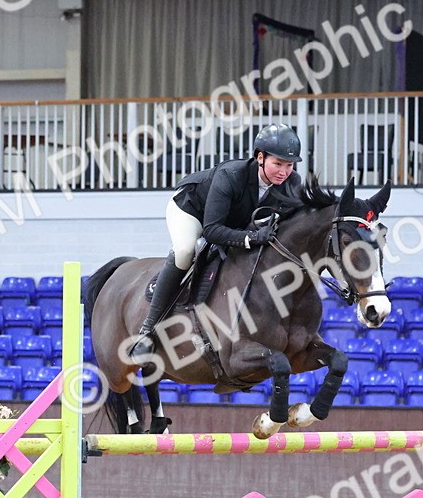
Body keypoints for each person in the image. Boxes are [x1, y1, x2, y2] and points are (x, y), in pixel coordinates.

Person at [128, 123, 304, 361]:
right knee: (185, 250)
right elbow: (211, 231)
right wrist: (251, 238)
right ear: (260, 158)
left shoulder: (292, 183)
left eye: (289, 165)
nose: (284, 171)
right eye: (278, 164)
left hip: (231, 220)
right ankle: (147, 330)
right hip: (192, 210)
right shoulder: (231, 175)